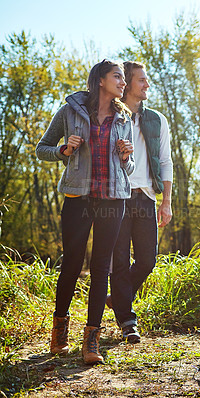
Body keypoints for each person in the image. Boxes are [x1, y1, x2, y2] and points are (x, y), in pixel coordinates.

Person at [36, 59, 134, 364]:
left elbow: (128, 169)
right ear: (101, 80)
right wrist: (65, 151)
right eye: (118, 76)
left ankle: (91, 340)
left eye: (123, 78)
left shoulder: (124, 118)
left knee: (101, 267)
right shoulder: (69, 112)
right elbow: (42, 149)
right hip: (78, 198)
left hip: (112, 200)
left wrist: (126, 156)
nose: (123, 82)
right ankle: (59, 330)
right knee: (72, 264)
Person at [107, 61, 173, 343]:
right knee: (119, 261)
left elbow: (166, 161)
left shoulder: (156, 120)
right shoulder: (109, 117)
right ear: (128, 85)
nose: (146, 85)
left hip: (146, 196)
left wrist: (166, 200)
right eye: (141, 81)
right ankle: (127, 321)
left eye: (146, 80)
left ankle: (117, 299)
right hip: (117, 196)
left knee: (147, 261)